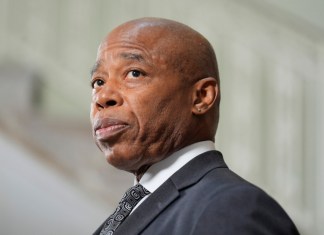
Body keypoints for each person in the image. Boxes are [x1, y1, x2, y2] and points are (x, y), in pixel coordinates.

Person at [90, 17, 299, 235]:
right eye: (98, 82)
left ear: (201, 97)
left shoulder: (232, 208)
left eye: (134, 73)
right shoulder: (133, 211)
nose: (103, 96)